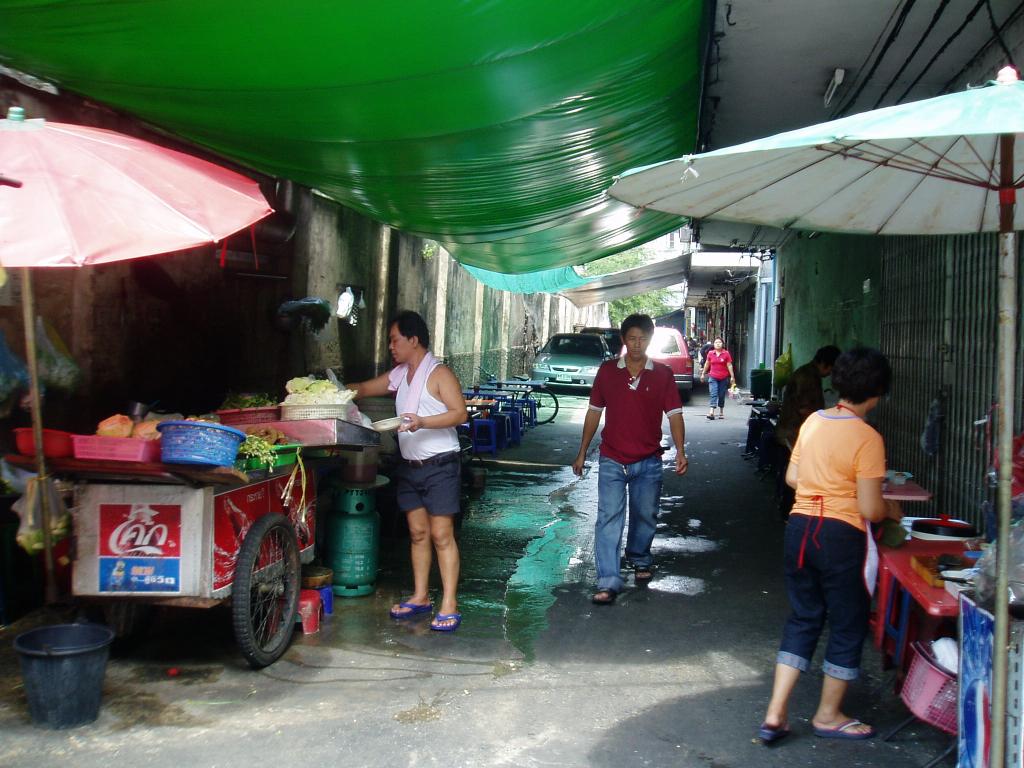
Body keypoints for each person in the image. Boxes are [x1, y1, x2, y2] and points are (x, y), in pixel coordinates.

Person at [759, 347, 903, 745]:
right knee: (847, 622)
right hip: (840, 537)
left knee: (804, 617)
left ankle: (775, 713)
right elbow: (871, 508)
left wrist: (823, 483)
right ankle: (827, 714)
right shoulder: (867, 438)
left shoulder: (813, 423)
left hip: (799, 529)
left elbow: (792, 478)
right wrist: (891, 508)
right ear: (876, 393)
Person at [348, 310, 468, 632]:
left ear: (413, 340)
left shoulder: (439, 373)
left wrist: (422, 421)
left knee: (442, 535)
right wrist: (335, 391)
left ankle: (449, 603)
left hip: (441, 465)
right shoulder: (401, 375)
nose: (390, 345)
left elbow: (460, 414)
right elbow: (363, 388)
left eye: (394, 339)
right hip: (410, 466)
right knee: (417, 533)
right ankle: (420, 597)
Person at [571, 314, 688, 605]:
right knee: (608, 518)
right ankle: (608, 580)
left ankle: (639, 556)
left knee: (645, 514)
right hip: (611, 458)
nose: (637, 344)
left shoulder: (662, 375)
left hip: (648, 460)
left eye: (643, 339)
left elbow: (675, 415)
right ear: (624, 340)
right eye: (632, 338)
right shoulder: (608, 372)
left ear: (649, 340)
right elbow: (594, 412)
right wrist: (582, 451)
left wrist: (681, 451)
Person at [774, 345, 842, 518]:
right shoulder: (808, 377)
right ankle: (789, 511)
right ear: (826, 364)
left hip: (792, 429)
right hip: (794, 430)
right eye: (832, 369)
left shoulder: (807, 373)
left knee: (789, 472)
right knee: (795, 474)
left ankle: (786, 508)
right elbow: (805, 408)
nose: (831, 374)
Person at [700, 337, 735, 420]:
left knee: (721, 395)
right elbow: (707, 364)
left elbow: (729, 365)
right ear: (713, 344)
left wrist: (732, 376)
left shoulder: (726, 353)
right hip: (713, 377)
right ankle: (711, 411)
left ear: (722, 344)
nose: (718, 344)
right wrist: (703, 374)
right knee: (713, 393)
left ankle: (721, 411)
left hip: (723, 378)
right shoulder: (711, 353)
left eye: (719, 342)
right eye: (716, 342)